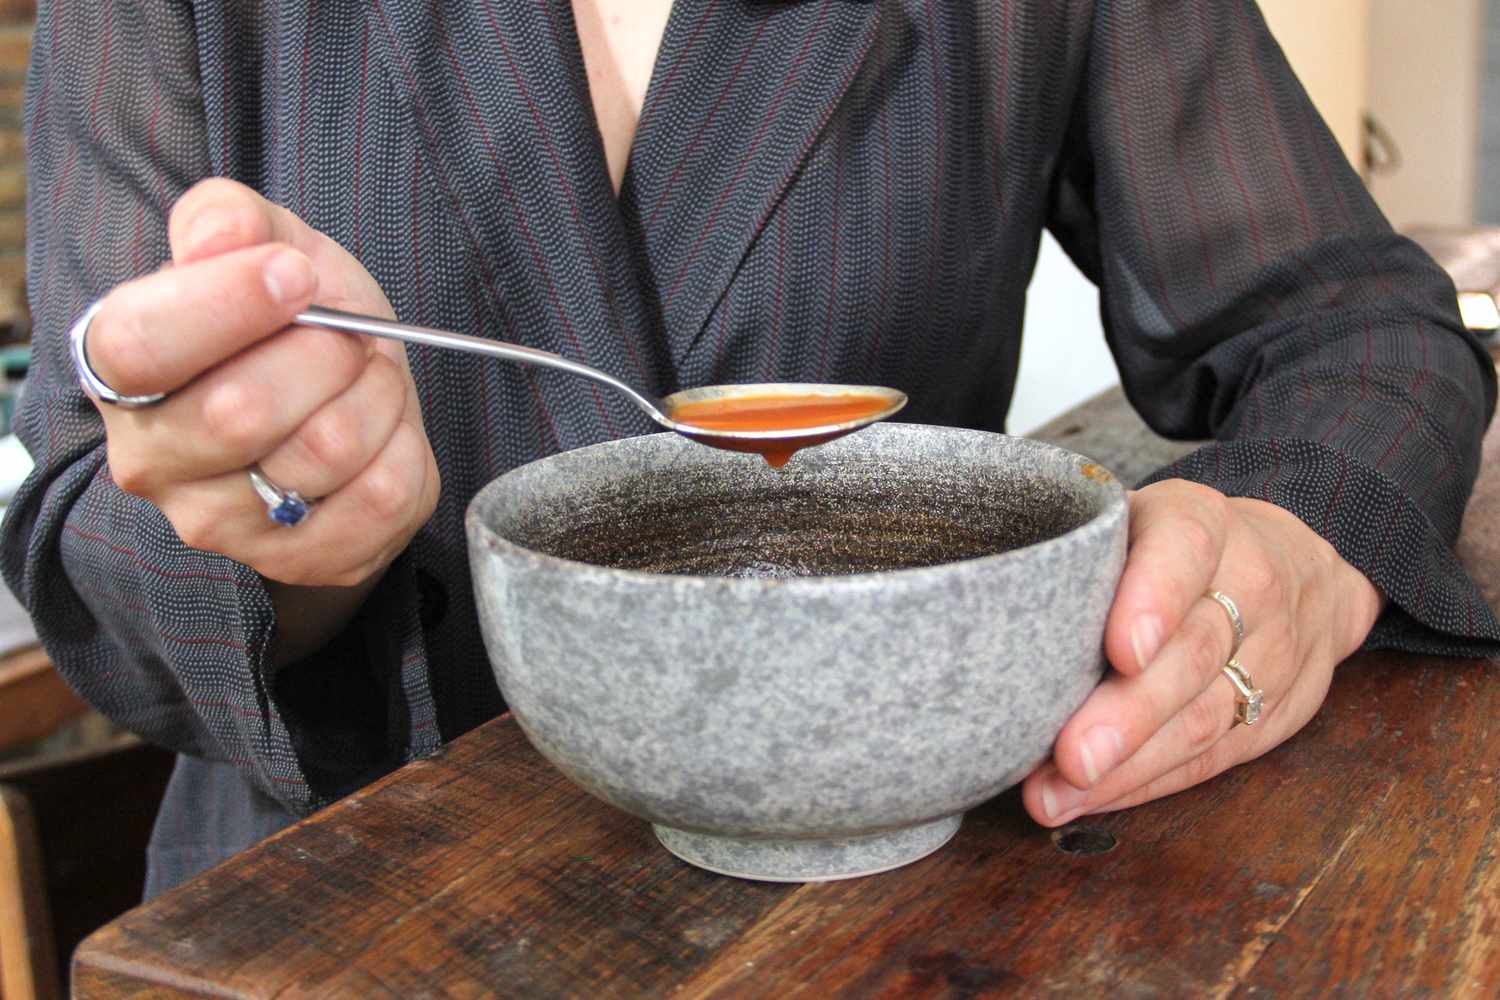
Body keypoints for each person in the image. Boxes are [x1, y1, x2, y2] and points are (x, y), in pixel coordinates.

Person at [5, 0, 1497, 898]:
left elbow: (1359, 327)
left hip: (896, 912)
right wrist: (283, 522)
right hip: (349, 915)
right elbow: (88, 516)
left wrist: (1297, 541)